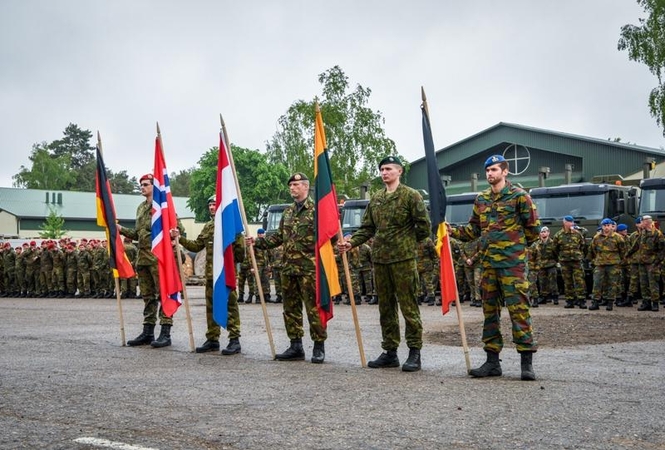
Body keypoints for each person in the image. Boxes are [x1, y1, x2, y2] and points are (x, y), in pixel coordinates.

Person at [449, 154, 540, 381]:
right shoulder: (481, 199)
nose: (490, 174)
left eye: (494, 170)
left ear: (505, 172)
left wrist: (515, 250)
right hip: (488, 265)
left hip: (513, 266)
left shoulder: (520, 197)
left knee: (519, 312)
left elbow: (533, 230)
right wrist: (452, 231)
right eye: (487, 170)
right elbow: (472, 231)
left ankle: (526, 363)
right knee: (489, 313)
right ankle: (492, 362)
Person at [338, 156, 431, 372]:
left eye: (388, 169)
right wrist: (351, 243)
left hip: (403, 260)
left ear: (399, 172)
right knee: (385, 307)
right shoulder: (377, 198)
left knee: (409, 307)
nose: (384, 173)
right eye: (381, 169)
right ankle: (390, 351)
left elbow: (424, 227)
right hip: (380, 260)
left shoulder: (411, 196)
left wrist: (406, 242)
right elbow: (367, 228)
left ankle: (414, 352)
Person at [246, 172, 327, 364]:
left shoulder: (317, 210)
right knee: (290, 309)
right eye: (290, 185)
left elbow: (328, 237)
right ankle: (296, 346)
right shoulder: (288, 212)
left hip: (309, 269)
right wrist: (257, 242)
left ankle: (318, 346)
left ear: (306, 187)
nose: (292, 188)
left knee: (313, 309)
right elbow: (278, 238)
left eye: (296, 184)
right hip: (289, 269)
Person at [172, 196, 245, 355]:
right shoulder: (208, 226)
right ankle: (212, 339)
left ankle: (234, 340)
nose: (212, 207)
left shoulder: (230, 224)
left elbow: (240, 252)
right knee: (211, 307)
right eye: (210, 205)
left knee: (230, 305)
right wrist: (180, 238)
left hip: (226, 273)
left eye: (214, 204)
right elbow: (197, 245)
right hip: (211, 275)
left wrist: (232, 265)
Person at [119, 174, 174, 348]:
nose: (142, 187)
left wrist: (173, 235)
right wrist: (120, 230)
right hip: (142, 258)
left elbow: (175, 227)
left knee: (163, 295)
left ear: (154, 186)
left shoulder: (162, 207)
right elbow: (138, 234)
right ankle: (148, 332)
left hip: (158, 258)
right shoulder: (141, 208)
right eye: (140, 185)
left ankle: (165, 333)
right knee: (148, 297)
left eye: (145, 184)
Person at [587, 218, 626, 311]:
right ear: (602, 226)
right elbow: (592, 250)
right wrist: (594, 260)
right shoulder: (597, 237)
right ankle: (595, 302)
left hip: (613, 264)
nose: (606, 228)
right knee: (597, 283)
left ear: (611, 226)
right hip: (600, 263)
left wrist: (619, 262)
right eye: (604, 226)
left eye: (608, 226)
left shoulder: (617, 237)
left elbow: (623, 251)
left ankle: (610, 302)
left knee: (612, 283)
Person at [552, 216, 588, 309]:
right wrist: (561, 257)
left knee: (579, 280)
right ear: (564, 223)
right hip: (565, 261)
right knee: (567, 281)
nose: (571, 224)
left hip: (576, 261)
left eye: (572, 222)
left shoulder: (578, 234)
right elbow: (555, 248)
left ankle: (581, 300)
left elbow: (582, 246)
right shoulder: (558, 235)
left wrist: (578, 255)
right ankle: (570, 301)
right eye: (569, 222)